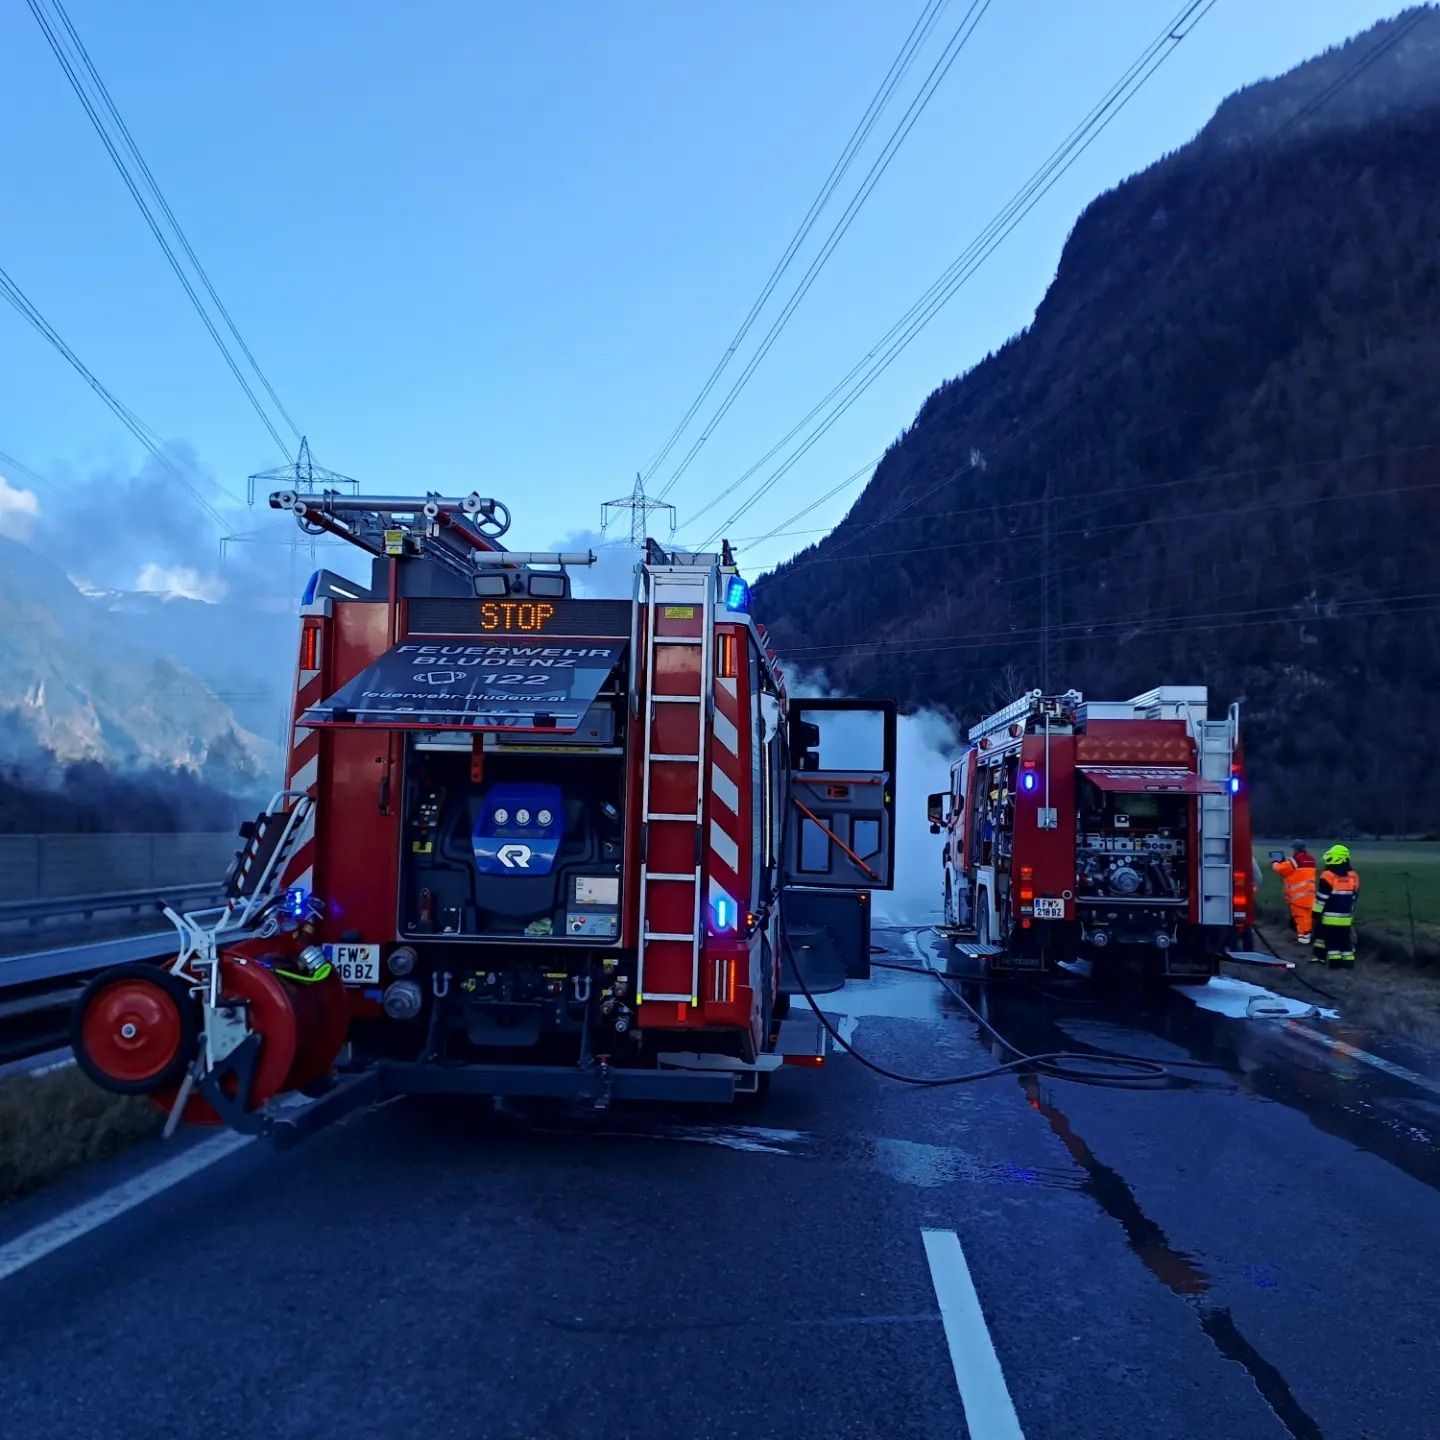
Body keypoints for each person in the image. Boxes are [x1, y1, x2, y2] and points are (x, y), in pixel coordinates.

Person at [1311, 844, 1360, 968]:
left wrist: (1315, 913)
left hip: (1330, 917)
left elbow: (1321, 898)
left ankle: (1335, 964)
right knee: (1345, 941)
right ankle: (1349, 963)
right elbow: (1354, 896)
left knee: (1332, 942)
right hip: (1346, 917)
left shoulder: (1327, 875)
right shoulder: (1354, 875)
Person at [1270, 841, 1317, 945]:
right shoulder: (1311, 860)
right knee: (1308, 917)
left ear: (1295, 849)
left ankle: (1303, 939)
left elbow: (1279, 869)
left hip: (1298, 896)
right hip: (1310, 895)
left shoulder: (1294, 860)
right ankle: (1308, 935)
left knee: (1300, 917)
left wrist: (1275, 862)